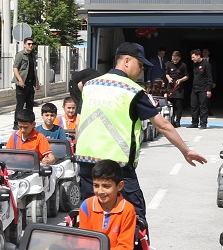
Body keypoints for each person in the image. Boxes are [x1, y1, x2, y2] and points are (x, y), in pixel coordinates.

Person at [74, 42, 208, 221]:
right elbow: (163, 125)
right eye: (140, 64)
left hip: (86, 166)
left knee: (89, 217)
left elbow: (78, 124)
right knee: (135, 218)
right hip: (118, 169)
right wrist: (186, 150)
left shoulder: (90, 86)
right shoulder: (132, 91)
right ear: (127, 61)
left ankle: (89, 249)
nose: (142, 69)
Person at [76, 159, 137, 250]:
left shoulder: (127, 209)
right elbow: (83, 240)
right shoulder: (87, 206)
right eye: (96, 185)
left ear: (120, 186)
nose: (100, 191)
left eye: (106, 186)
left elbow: (125, 248)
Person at [12, 36, 37, 129]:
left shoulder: (32, 55)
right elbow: (15, 68)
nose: (31, 46)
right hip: (22, 84)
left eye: (32, 44)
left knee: (30, 104)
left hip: (30, 84)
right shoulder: (20, 55)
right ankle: (16, 123)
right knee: (20, 105)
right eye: (29, 44)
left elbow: (34, 70)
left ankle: (29, 122)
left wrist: (37, 83)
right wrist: (20, 80)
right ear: (24, 45)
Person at [189, 48, 214, 128]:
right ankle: (194, 122)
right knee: (194, 105)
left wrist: (209, 89)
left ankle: (203, 123)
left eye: (193, 57)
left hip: (203, 88)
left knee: (203, 106)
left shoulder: (206, 64)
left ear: (198, 56)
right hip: (195, 88)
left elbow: (209, 78)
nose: (192, 59)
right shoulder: (194, 64)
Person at [164, 51, 187, 126]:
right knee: (171, 104)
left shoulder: (183, 65)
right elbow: (167, 74)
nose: (175, 61)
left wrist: (180, 80)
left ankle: (178, 121)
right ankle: (171, 120)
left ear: (179, 58)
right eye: (173, 59)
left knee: (178, 105)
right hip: (170, 87)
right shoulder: (169, 65)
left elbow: (187, 76)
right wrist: (169, 78)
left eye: (176, 59)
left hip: (178, 87)